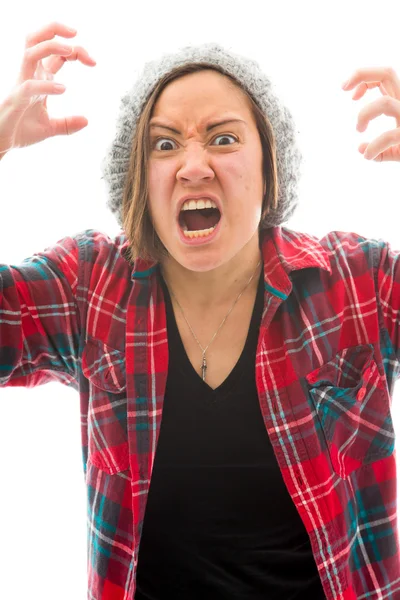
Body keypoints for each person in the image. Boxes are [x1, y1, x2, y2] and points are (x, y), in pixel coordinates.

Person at [1, 20, 400, 600]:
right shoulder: (91, 286)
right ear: (139, 176)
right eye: (165, 144)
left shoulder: (356, 281)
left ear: (271, 165)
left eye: (223, 138)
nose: (192, 166)